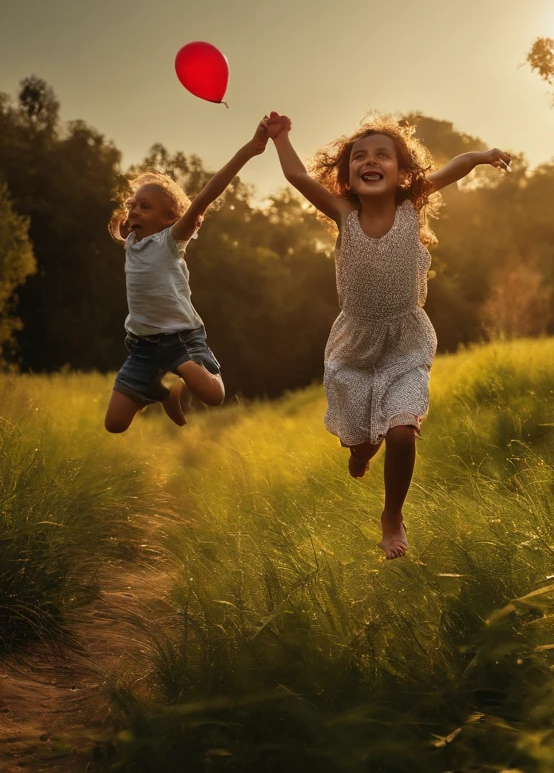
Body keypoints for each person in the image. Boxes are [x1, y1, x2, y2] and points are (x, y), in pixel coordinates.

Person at [267, 112, 510, 558]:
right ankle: (360, 452)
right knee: (359, 440)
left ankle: (392, 515)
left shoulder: (409, 207)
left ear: (403, 173)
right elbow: (296, 175)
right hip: (354, 345)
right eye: (359, 157)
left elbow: (453, 168)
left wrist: (482, 156)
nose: (370, 161)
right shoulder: (344, 213)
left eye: (383, 155)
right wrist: (280, 137)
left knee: (401, 432)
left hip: (406, 341)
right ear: (348, 175)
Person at [104, 117, 271, 433]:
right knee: (114, 424)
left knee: (214, 395)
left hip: (180, 337)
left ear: (168, 218)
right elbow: (122, 226)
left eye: (145, 206)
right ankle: (164, 392)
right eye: (133, 206)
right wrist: (131, 217)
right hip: (142, 346)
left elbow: (208, 193)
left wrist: (249, 149)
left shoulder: (169, 240)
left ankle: (180, 373)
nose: (135, 211)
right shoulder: (133, 244)